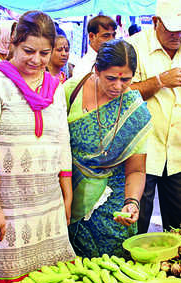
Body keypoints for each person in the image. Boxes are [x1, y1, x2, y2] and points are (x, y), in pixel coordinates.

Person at [0, 11, 75, 283]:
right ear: (13, 45)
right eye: (29, 51)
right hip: (9, 209)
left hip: (48, 206)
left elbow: (62, 142)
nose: (37, 60)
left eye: (44, 52)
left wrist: (67, 196)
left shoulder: (56, 89)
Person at [128, 0, 181, 232]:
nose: (178, 35)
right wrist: (159, 81)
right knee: (136, 221)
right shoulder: (134, 47)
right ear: (155, 22)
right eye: (172, 29)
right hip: (141, 153)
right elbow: (121, 93)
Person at [65, 39, 151, 257]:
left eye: (126, 79)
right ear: (96, 70)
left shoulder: (134, 110)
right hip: (69, 196)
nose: (118, 86)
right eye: (111, 78)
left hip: (112, 202)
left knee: (111, 270)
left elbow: (136, 170)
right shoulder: (70, 91)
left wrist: (131, 204)